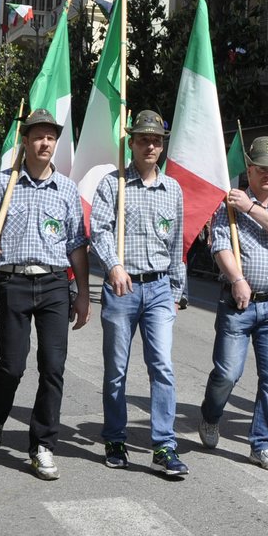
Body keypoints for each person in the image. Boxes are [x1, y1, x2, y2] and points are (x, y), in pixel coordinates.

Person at [0, 109, 92, 481]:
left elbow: (77, 246)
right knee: (13, 365)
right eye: (37, 136)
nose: (44, 143)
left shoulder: (67, 190)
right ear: (25, 141)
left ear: (56, 144)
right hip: (14, 282)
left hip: (56, 284)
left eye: (50, 138)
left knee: (52, 368)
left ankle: (42, 445)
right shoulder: (2, 184)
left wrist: (83, 294)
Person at [90, 110, 188, 477]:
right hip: (122, 288)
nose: (151, 145)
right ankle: (115, 437)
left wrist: (178, 289)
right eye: (144, 139)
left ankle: (164, 445)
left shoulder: (173, 189)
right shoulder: (112, 184)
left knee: (162, 366)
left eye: (157, 140)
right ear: (131, 143)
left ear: (163, 146)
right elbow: (99, 230)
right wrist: (113, 266)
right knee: (117, 369)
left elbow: (178, 243)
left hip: (160, 287)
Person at [197, 137, 268, 470]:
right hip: (237, 303)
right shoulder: (227, 205)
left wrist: (251, 208)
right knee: (227, 373)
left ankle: (262, 443)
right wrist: (238, 279)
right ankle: (210, 416)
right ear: (250, 170)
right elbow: (220, 247)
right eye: (263, 168)